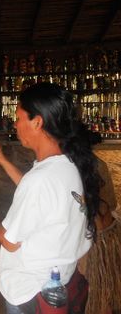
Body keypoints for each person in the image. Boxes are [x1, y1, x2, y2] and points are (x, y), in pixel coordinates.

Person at [0, 83, 101, 313]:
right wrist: (2, 160)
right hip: (59, 283)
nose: (15, 124)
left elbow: (10, 242)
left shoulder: (40, 180)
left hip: (31, 292)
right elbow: (41, 197)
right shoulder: (67, 165)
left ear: (37, 122)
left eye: (19, 118)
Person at [78, 132, 121, 313]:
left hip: (99, 242)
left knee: (101, 298)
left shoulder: (77, 169)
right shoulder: (96, 164)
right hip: (105, 235)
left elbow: (106, 208)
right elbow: (111, 205)